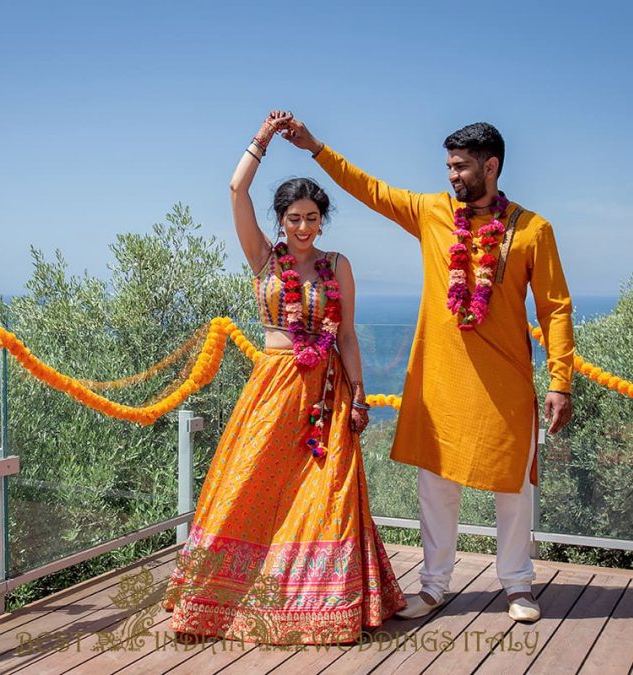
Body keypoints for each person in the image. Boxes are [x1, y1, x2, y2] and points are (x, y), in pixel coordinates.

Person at [281, 117, 575, 623]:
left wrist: (561, 382)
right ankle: (434, 586)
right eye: (448, 166)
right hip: (440, 382)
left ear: (492, 165)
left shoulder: (533, 230)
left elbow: (556, 308)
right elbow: (369, 189)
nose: (452, 176)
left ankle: (518, 585)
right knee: (436, 488)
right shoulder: (431, 212)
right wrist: (314, 148)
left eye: (460, 167)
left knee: (513, 487)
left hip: (505, 385)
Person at [161, 111, 406, 644]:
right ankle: (221, 592)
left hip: (326, 393)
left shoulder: (338, 265)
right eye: (294, 217)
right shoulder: (263, 261)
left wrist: (359, 396)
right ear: (280, 220)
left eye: (312, 217)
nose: (303, 226)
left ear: (323, 220)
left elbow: (346, 337)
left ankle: (323, 603)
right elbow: (235, 188)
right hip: (273, 389)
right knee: (246, 484)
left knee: (327, 494)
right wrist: (263, 139)